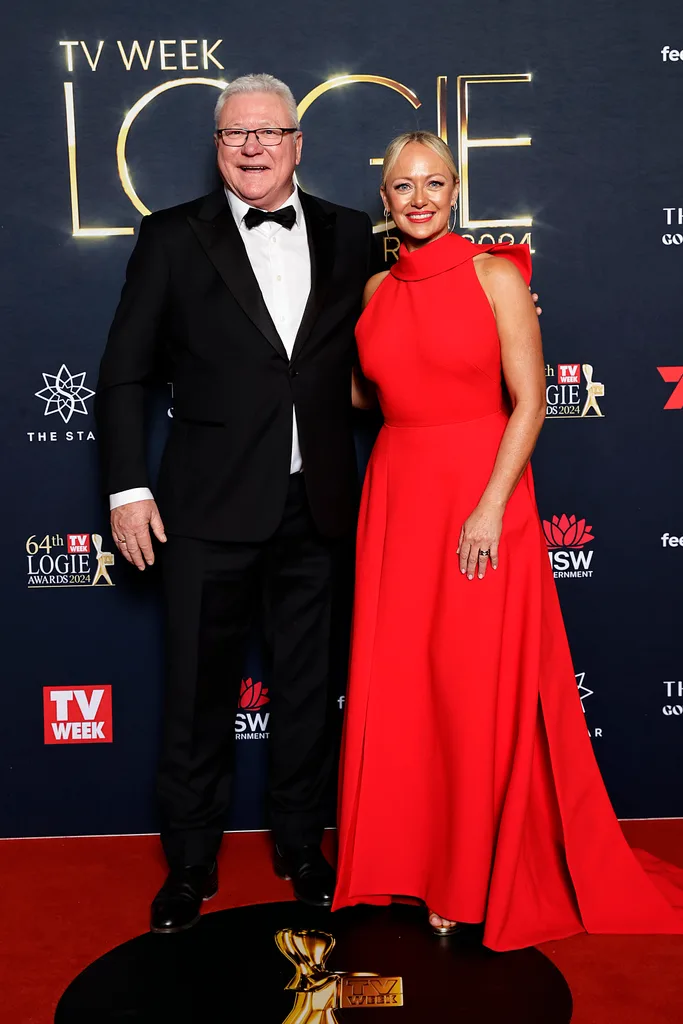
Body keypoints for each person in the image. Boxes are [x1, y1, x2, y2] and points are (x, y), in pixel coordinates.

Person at [333, 130, 683, 949]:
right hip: (397, 492)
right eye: (400, 186)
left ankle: (466, 873)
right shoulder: (375, 291)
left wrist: (490, 506)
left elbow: (528, 401)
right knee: (405, 685)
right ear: (382, 200)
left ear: (456, 190)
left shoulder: (496, 276)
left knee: (467, 687)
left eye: (434, 183)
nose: (417, 199)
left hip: (480, 493)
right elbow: (360, 390)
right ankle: (402, 863)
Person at [96, 74, 375, 933]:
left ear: (299, 142)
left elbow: (397, 342)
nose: (251, 148)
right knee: (193, 695)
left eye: (268, 133)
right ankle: (188, 861)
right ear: (216, 146)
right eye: (233, 135)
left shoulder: (353, 233)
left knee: (306, 690)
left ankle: (300, 845)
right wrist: (126, 485)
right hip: (205, 508)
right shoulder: (173, 236)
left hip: (318, 504)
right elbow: (123, 372)